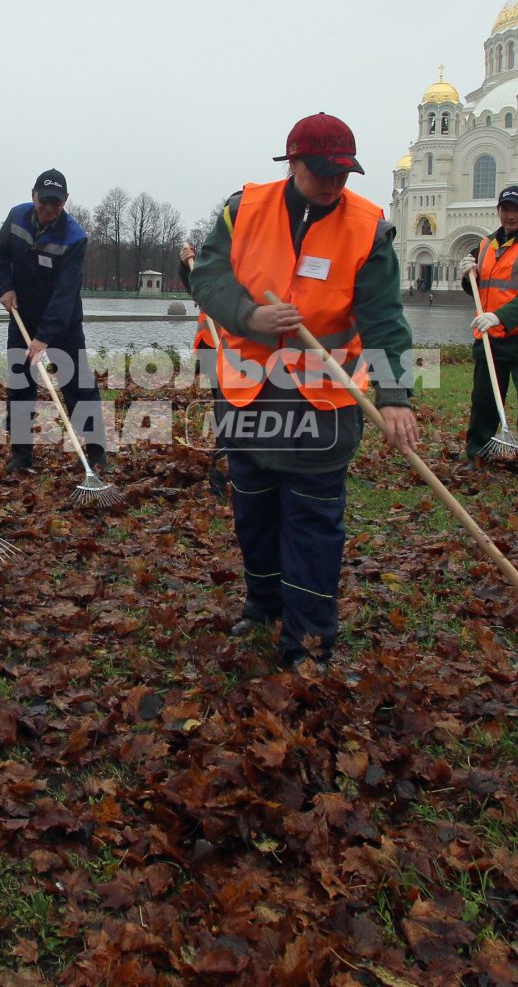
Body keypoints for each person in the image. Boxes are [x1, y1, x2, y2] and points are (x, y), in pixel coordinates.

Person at [190, 113, 419, 671]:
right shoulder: (242, 209)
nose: (335, 184)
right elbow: (207, 278)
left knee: (314, 524)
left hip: (324, 405)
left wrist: (395, 395)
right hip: (248, 397)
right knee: (254, 512)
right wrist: (250, 315)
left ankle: (309, 639)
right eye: (322, 172)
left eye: (343, 173)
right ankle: (263, 604)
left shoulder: (369, 228)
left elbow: (385, 319)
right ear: (292, 163)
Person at [0, 169, 105, 474]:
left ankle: (95, 450)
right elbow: (0, 255)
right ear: (33, 196)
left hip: (62, 322)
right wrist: (5, 287)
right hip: (22, 317)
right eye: (44, 202)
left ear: (65, 201)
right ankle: (21, 454)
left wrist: (44, 338)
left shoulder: (74, 237)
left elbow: (66, 293)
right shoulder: (16, 217)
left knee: (77, 384)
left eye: (55, 203)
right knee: (19, 384)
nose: (48, 209)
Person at [458, 184, 518, 482]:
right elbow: (480, 288)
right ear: (498, 211)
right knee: (485, 399)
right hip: (490, 336)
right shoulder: (486, 244)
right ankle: (478, 454)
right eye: (506, 209)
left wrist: (500, 316)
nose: (510, 215)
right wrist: (467, 275)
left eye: (517, 209)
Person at [179, 239, 227, 497]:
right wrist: (184, 266)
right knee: (224, 407)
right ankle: (219, 473)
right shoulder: (215, 254)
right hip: (212, 344)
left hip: (243, 348)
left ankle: (229, 470)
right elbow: (195, 287)